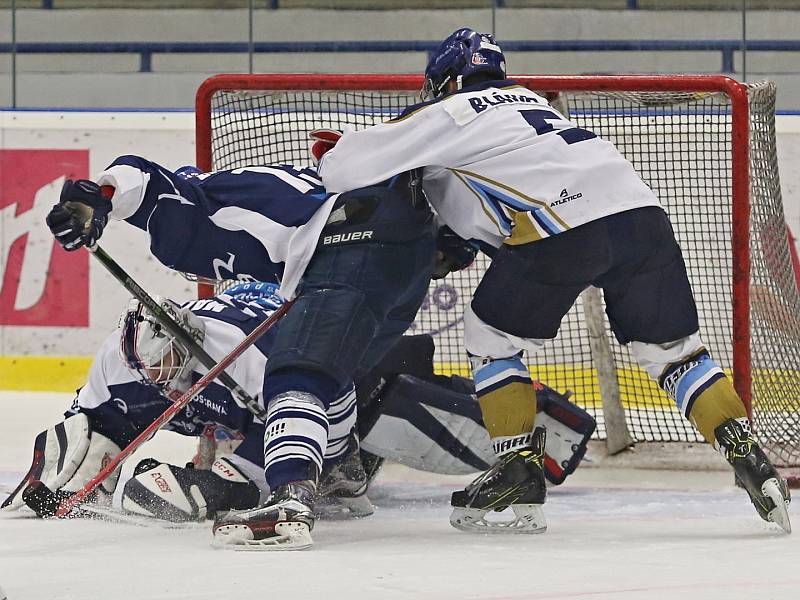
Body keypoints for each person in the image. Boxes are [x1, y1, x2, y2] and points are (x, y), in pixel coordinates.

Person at [316, 28, 792, 534]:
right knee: (675, 353)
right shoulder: (532, 105)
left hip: (560, 223)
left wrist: (329, 154)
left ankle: (517, 466)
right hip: (642, 218)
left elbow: (344, 168)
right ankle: (749, 457)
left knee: (488, 337)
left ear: (447, 80)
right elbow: (487, 201)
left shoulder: (450, 110)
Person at [45, 157, 447, 549]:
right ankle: (338, 460)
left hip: (354, 252)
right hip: (390, 259)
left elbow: (140, 178)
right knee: (338, 369)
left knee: (307, 376)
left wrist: (97, 198)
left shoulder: (202, 216)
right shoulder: (236, 211)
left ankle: (319, 475)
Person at [3, 284, 595, 525]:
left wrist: (235, 479)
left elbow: (297, 404)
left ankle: (545, 431)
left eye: (167, 370)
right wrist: (76, 453)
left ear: (186, 344)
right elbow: (93, 419)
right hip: (275, 395)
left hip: (345, 366)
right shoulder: (121, 357)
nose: (160, 383)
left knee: (384, 414)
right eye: (147, 371)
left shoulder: (244, 351)